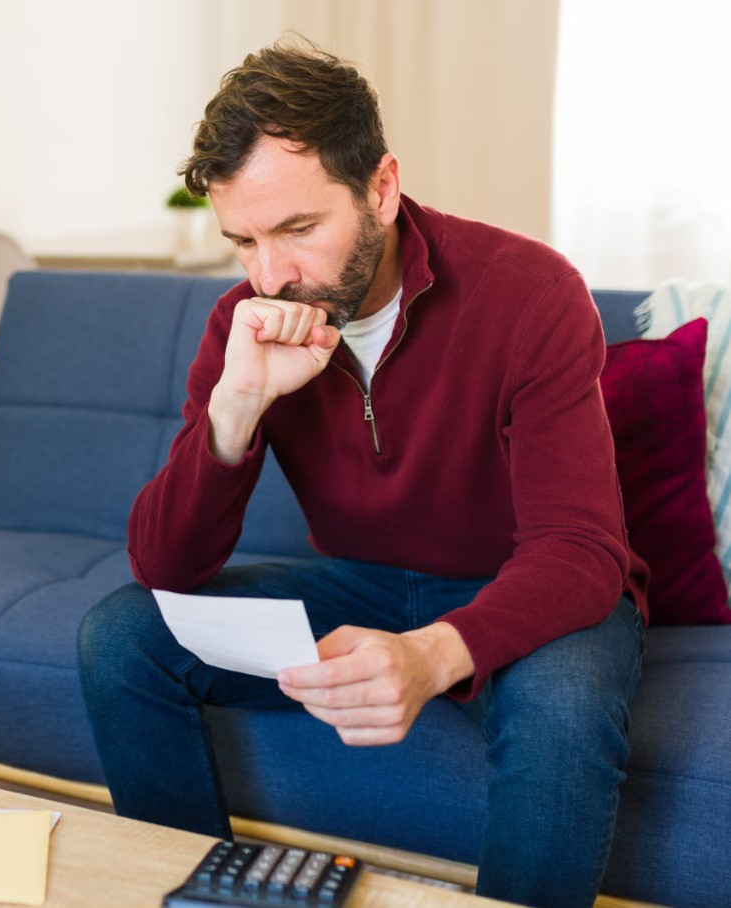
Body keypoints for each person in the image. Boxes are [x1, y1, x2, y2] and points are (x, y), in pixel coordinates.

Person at [76, 36, 647, 908]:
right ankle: (203, 893)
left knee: (565, 708)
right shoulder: (248, 320)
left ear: (380, 187)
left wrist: (432, 657)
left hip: (528, 588)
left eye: (298, 229)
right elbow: (164, 570)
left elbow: (580, 549)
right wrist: (235, 411)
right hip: (367, 586)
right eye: (243, 241)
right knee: (119, 636)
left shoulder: (529, 292)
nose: (272, 275)